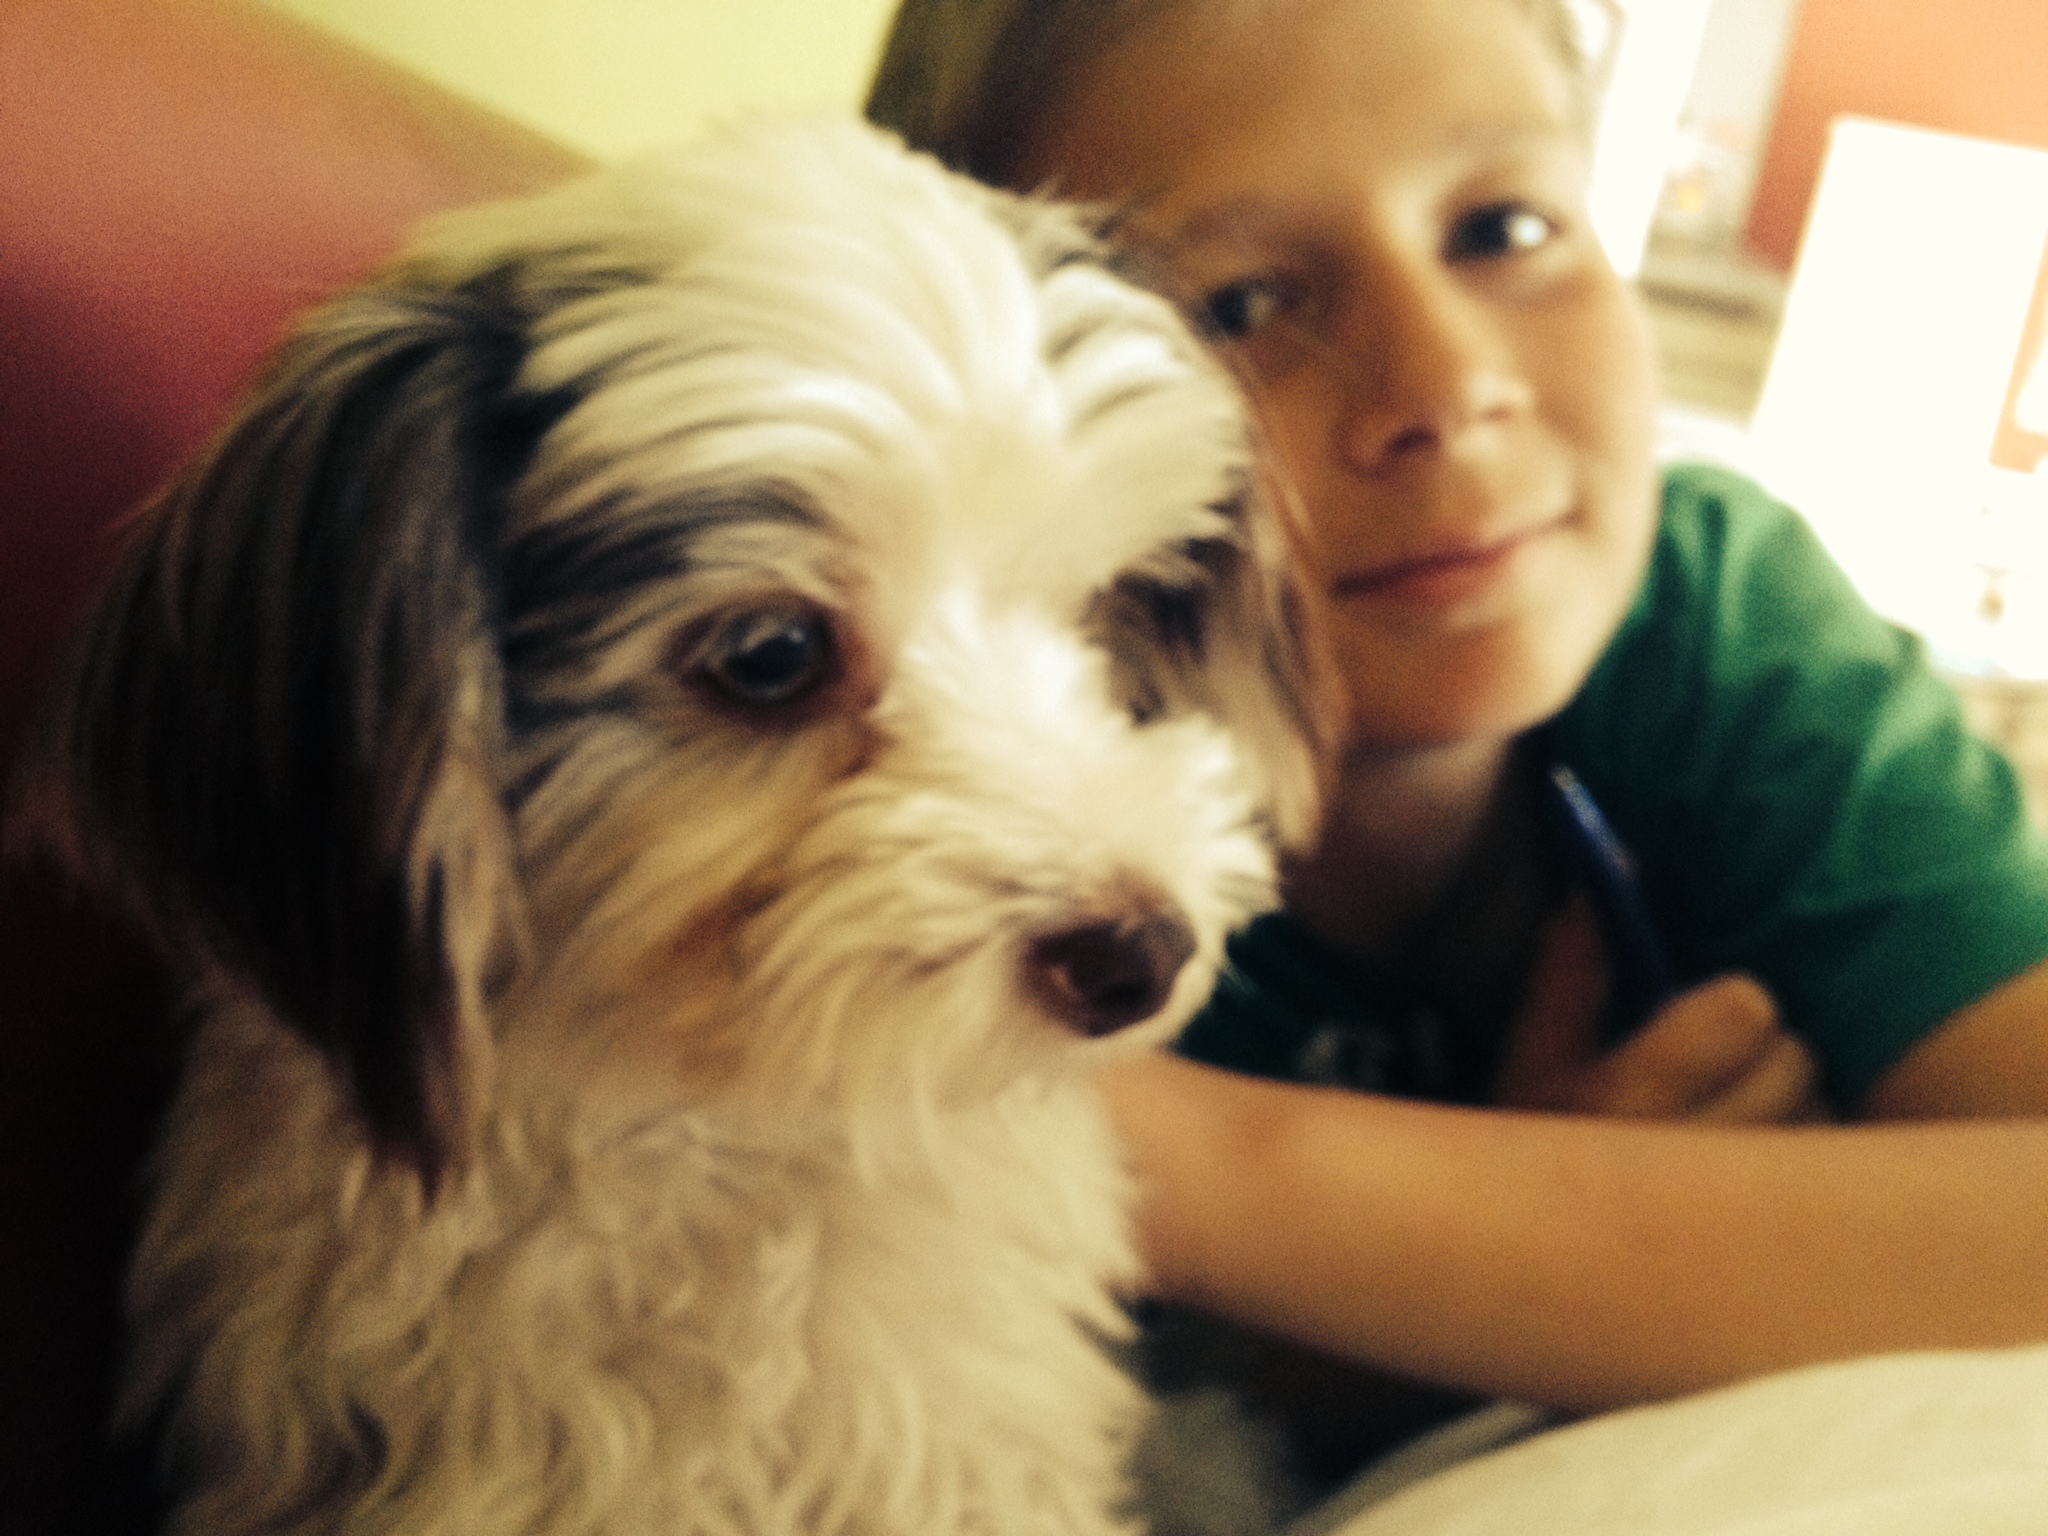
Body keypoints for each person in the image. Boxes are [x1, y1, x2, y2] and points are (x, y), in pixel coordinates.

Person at [866, 0, 2048, 1489]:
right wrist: (1593, 1235)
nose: (1445, 384)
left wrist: (1146, 1154)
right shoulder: (949, 854)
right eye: (1238, 305)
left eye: (1501, 228)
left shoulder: (1714, 612)